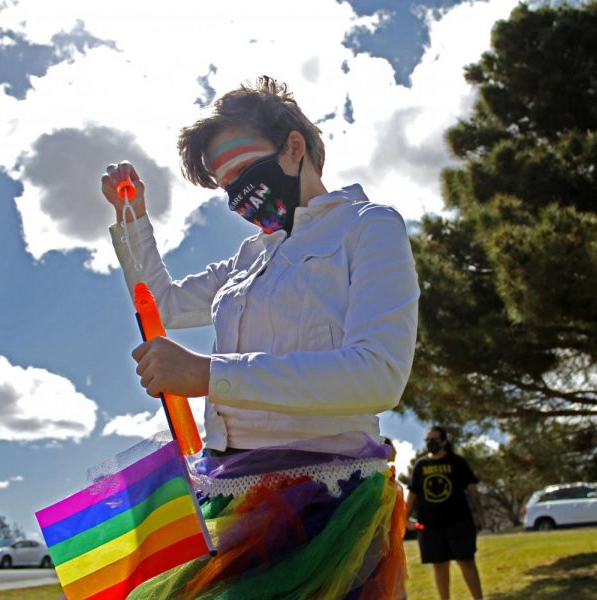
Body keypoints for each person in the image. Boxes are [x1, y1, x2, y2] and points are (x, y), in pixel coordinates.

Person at [101, 76, 419, 598]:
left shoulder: (369, 227)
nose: (238, 197)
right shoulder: (250, 256)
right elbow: (162, 305)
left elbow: (378, 375)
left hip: (327, 507)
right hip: (231, 496)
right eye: (227, 187)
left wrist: (208, 374)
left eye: (246, 173)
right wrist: (130, 216)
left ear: (295, 148)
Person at [406, 426, 485, 600]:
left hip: (459, 522)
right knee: (439, 565)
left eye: (434, 440)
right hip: (430, 526)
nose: (430, 443)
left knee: (466, 562)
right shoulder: (420, 465)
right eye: (428, 440)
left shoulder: (457, 462)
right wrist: (403, 518)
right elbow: (412, 495)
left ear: (443, 441)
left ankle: (479, 598)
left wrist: (480, 515)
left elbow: (472, 490)